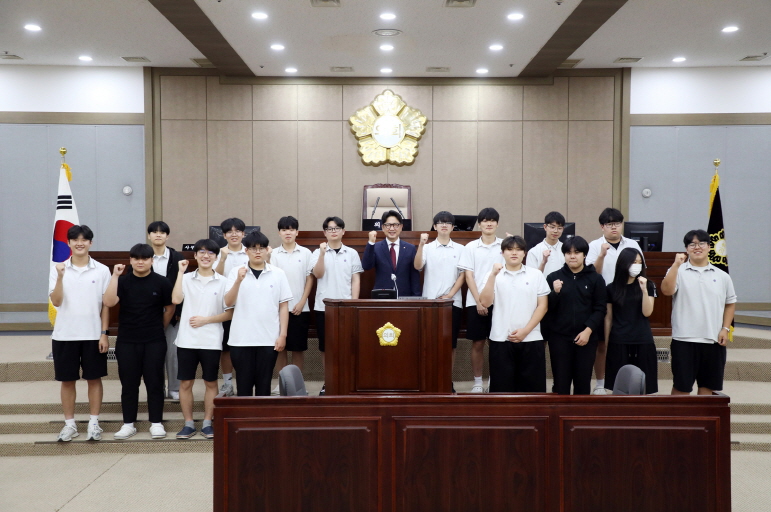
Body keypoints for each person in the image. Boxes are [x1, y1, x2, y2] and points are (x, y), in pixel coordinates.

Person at [103, 243, 174, 440]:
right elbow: (108, 302)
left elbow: (169, 308)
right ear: (131, 260)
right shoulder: (123, 281)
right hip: (127, 341)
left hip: (154, 340)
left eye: (144, 258)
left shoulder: (162, 282)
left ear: (152, 260)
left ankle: (156, 423)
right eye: (136, 258)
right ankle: (128, 424)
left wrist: (160, 327)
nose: (140, 262)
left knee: (155, 383)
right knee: (129, 384)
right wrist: (115, 276)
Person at [48, 225, 111, 442]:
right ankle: (70, 424)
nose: (80, 243)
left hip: (93, 335)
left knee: (94, 379)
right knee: (67, 381)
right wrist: (59, 277)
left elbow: (106, 305)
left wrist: (104, 333)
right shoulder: (58, 268)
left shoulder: (102, 270)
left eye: (84, 239)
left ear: (91, 243)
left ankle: (94, 423)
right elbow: (56, 301)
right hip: (65, 335)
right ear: (69, 243)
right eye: (75, 239)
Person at [661, 229, 736, 396]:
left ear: (709, 247)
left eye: (701, 243)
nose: (697, 247)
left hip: (712, 340)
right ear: (686, 249)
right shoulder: (678, 271)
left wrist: (725, 328)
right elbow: (666, 291)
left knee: (707, 387)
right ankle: (678, 422)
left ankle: (702, 423)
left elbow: (730, 303)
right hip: (684, 339)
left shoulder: (722, 276)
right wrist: (675, 265)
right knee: (681, 387)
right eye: (692, 244)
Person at [171, 239, 232, 439]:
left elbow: (229, 314)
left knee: (211, 382)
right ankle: (188, 423)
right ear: (195, 255)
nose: (206, 256)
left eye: (210, 253)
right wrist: (180, 272)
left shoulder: (223, 281)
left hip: (211, 340)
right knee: (186, 383)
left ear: (215, 257)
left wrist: (206, 320)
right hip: (187, 340)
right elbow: (176, 300)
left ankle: (207, 422)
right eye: (202, 252)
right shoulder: (186, 278)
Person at [224, 231, 292, 396]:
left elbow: (283, 306)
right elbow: (228, 302)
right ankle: (243, 422)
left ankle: (261, 422)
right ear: (246, 251)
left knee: (264, 386)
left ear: (268, 250)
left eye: (261, 248)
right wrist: (239, 281)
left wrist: (282, 335)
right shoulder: (235, 272)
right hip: (241, 340)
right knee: (244, 387)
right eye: (253, 248)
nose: (258, 252)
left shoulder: (278, 273)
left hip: (268, 339)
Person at [479, 236, 550, 392]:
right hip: (501, 338)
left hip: (531, 338)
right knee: (502, 389)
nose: (514, 253)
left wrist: (525, 331)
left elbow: (543, 306)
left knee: (533, 390)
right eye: (510, 249)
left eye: (518, 250)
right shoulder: (493, 275)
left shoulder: (535, 275)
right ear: (502, 252)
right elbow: (485, 302)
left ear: (524, 253)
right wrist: (492, 275)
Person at [585, 207, 643, 395]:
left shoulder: (633, 244)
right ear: (602, 226)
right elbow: (592, 274)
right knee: (602, 343)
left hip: (629, 299)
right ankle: (601, 382)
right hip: (604, 297)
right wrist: (602, 254)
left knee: (626, 341)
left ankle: (629, 382)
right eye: (610, 224)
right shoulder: (594, 245)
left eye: (617, 223)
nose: (614, 227)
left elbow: (641, 269)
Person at [545, 236, 607, 395]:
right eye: (568, 252)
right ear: (564, 255)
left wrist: (588, 331)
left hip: (586, 337)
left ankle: (580, 418)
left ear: (584, 255)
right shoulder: (553, 278)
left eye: (577, 252)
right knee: (560, 382)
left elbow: (600, 308)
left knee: (583, 382)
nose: (572, 256)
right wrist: (555, 293)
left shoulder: (596, 279)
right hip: (559, 338)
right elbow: (546, 308)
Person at [311, 216, 363, 395]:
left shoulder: (352, 253)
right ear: (325, 232)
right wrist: (322, 254)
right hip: (323, 307)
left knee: (347, 346)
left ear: (343, 231)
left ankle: (348, 380)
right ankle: (329, 381)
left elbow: (356, 280)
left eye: (336, 228)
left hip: (346, 307)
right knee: (326, 347)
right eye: (329, 229)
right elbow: (317, 274)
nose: (333, 231)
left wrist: (354, 303)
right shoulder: (318, 253)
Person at [415, 211, 466, 386]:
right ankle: (429, 380)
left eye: (447, 223)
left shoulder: (461, 249)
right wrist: (421, 245)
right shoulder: (427, 247)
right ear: (435, 226)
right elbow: (418, 266)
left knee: (450, 345)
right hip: (430, 303)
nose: (444, 225)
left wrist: (450, 295)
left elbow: (463, 275)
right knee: (428, 343)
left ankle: (446, 381)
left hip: (453, 303)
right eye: (440, 222)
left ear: (453, 227)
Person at [457, 207, 505, 392]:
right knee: (477, 342)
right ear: (479, 224)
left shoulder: (505, 246)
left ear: (497, 224)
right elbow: (469, 277)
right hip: (474, 301)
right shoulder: (470, 247)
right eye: (485, 220)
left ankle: (495, 381)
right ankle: (477, 382)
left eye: (492, 220)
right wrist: (479, 302)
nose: (489, 223)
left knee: (497, 342)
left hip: (500, 302)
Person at [269, 216, 314, 394]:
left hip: (299, 309)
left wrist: (302, 301)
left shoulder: (306, 253)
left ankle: (296, 383)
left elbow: (309, 279)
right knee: (280, 347)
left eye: (291, 229)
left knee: (298, 348)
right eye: (284, 229)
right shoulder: (272, 254)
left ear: (297, 232)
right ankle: (281, 383)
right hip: (278, 309)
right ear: (279, 232)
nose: (288, 232)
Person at [604, 247, 658, 394]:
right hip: (619, 340)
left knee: (645, 386)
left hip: (642, 339)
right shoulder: (611, 288)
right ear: (624, 263)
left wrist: (644, 290)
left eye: (640, 262)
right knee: (619, 385)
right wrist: (608, 342)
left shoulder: (648, 285)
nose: (637, 265)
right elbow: (608, 318)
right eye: (634, 262)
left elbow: (647, 312)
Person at [146, 221, 184, 400]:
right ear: (149, 236)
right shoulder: (143, 256)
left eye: (162, 232)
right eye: (154, 232)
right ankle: (158, 388)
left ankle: (174, 388)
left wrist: (178, 312)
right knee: (153, 355)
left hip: (174, 312)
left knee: (173, 353)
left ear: (167, 236)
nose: (158, 235)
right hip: (150, 314)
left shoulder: (177, 258)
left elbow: (183, 286)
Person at [213, 218, 250, 397]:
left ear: (244, 234)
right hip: (225, 307)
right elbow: (214, 277)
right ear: (224, 235)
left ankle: (245, 380)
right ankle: (228, 383)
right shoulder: (218, 254)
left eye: (238, 231)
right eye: (229, 231)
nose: (234, 234)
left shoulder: (251, 252)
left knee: (245, 346)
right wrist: (223, 259)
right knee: (225, 347)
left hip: (248, 307)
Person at [363, 210, 421, 296]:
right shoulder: (376, 247)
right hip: (382, 296)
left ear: (401, 227)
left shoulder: (410, 248)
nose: (392, 228)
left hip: (404, 297)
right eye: (388, 225)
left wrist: (416, 298)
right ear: (382, 227)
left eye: (396, 225)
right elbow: (366, 266)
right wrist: (371, 243)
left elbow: (414, 276)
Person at [526, 211, 567, 277]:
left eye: (559, 228)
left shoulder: (567, 249)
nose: (556, 231)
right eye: (552, 227)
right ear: (545, 227)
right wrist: (543, 262)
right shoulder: (534, 251)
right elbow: (531, 277)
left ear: (563, 229)